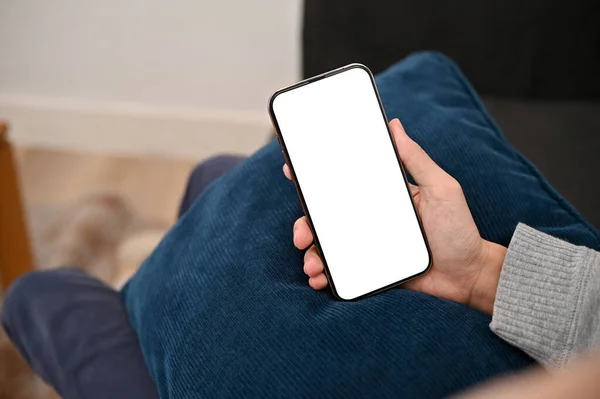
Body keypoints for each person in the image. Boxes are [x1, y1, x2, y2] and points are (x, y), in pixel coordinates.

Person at [2, 52, 600, 398]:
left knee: (39, 294)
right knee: (217, 180)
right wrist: (479, 272)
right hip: (495, 288)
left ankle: (152, 291)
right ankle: (162, 280)